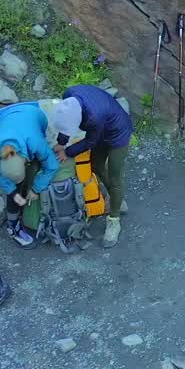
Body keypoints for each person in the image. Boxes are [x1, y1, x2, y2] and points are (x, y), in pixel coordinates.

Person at [50, 84, 135, 248]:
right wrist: (61, 143)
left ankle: (114, 219)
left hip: (118, 134)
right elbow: (67, 121)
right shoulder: (69, 96)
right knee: (96, 165)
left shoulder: (94, 117)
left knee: (114, 176)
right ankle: (116, 198)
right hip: (102, 129)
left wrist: (67, 152)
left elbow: (90, 141)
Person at [0, 100, 71, 247]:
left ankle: (22, 197)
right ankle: (13, 227)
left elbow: (51, 166)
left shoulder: (35, 142)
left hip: (34, 113)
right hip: (5, 115)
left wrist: (36, 189)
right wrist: (12, 191)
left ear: (25, 159)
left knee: (39, 164)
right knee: (14, 190)